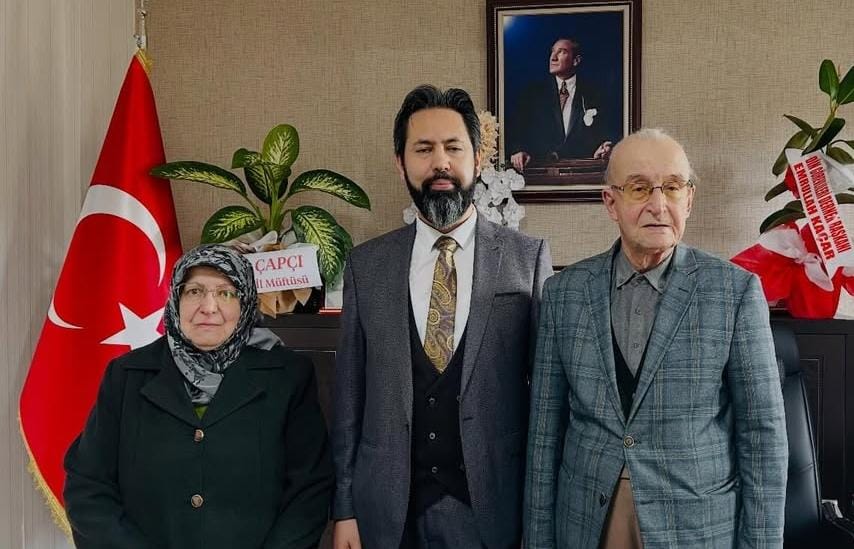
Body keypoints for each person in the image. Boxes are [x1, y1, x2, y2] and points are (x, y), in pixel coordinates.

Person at [524, 129, 788, 548]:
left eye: (673, 187)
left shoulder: (735, 292)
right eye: (639, 188)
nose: (659, 205)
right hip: (586, 521)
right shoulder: (563, 293)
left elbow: (763, 438)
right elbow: (544, 436)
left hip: (695, 526)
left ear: (689, 199)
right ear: (610, 202)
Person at [332, 84, 553, 549]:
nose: (440, 163)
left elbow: (547, 400)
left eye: (454, 147)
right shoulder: (365, 266)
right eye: (423, 149)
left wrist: (539, 520)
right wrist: (345, 509)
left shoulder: (526, 258)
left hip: (492, 507)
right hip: (386, 511)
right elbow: (349, 396)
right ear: (400, 162)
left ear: (477, 158)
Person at [64, 244, 333, 549]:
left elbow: (309, 491)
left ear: (246, 303)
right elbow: (88, 486)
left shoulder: (288, 377)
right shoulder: (126, 375)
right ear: (175, 299)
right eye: (194, 291)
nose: (209, 307)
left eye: (226, 293)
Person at [507, 37, 614, 172]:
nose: (553, 58)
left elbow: (605, 134)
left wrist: (603, 148)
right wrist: (518, 151)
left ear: (576, 60)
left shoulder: (594, 94)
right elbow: (517, 131)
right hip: (541, 172)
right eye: (552, 52)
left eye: (561, 52)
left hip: (582, 172)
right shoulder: (533, 94)